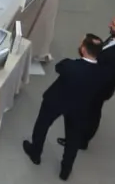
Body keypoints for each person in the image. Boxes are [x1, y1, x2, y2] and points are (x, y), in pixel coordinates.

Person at [22, 34, 106, 181]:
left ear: (84, 49)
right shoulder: (101, 72)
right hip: (80, 107)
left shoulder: (70, 65)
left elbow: (58, 67)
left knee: (43, 124)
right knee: (73, 138)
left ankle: (35, 152)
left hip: (57, 100)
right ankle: (66, 169)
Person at [75, 14, 115, 151]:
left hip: (98, 89)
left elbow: (104, 75)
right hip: (97, 84)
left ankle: (81, 141)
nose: (109, 25)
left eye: (113, 25)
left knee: (92, 112)